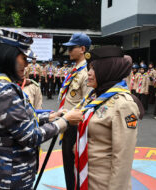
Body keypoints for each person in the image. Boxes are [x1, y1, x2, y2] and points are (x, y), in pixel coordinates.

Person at [0, 28, 83, 190]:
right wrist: (63, 122)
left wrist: (49, 116)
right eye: (23, 58)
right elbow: (30, 137)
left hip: (1, 173)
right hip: (9, 178)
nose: (27, 64)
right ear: (9, 56)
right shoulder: (5, 90)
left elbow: (16, 120)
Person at [75, 46, 144, 190]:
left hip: (103, 184)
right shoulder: (96, 96)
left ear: (107, 70)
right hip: (85, 176)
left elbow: (123, 158)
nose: (89, 73)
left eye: (94, 69)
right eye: (89, 68)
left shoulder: (123, 104)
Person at [60, 32, 92, 190]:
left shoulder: (86, 73)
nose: (69, 51)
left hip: (75, 126)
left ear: (82, 49)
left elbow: (87, 103)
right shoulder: (74, 71)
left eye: (72, 48)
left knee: (72, 165)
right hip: (67, 122)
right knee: (67, 164)